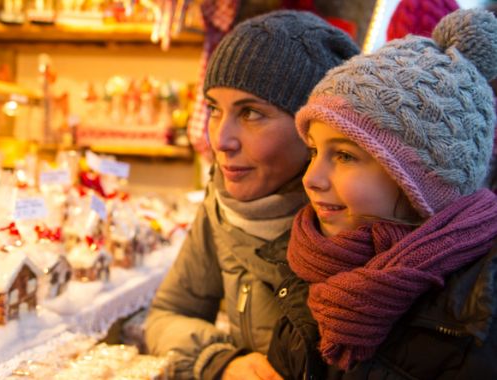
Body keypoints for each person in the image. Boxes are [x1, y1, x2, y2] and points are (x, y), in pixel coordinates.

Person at [267, 8, 497, 379]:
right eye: (314, 151)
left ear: (420, 179)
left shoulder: (478, 310)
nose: (311, 178)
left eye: (344, 155)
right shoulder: (310, 261)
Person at [144, 10, 359, 380]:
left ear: (314, 128)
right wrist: (219, 360)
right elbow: (166, 315)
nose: (221, 140)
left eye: (251, 113)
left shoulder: (358, 219)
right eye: (214, 109)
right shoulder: (221, 205)